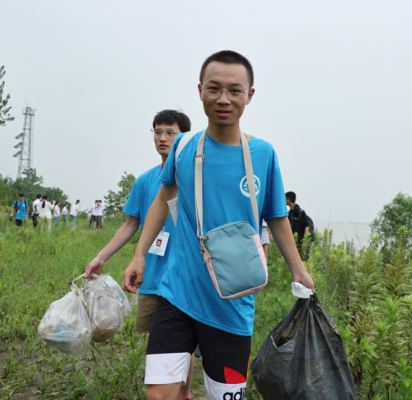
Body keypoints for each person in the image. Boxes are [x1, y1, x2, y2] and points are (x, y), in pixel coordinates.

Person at [122, 51, 314, 400]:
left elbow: (277, 217)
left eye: (234, 90)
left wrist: (298, 270)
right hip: (176, 293)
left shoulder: (263, 154)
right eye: (214, 89)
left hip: (232, 303)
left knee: (225, 396)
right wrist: (139, 255)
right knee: (159, 395)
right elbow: (163, 200)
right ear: (200, 91)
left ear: (249, 96)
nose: (223, 99)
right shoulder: (183, 146)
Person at [85, 109, 195, 400]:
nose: (162, 137)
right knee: (161, 340)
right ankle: (169, 390)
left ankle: (185, 393)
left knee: (185, 340)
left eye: (170, 132)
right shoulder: (146, 181)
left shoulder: (195, 178)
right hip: (153, 274)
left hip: (186, 274)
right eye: (157, 131)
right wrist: (101, 256)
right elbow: (131, 223)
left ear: (184, 137)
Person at [286, 191, 311, 257]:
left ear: (288, 200)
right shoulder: (289, 213)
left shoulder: (301, 212)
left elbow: (306, 226)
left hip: (301, 242)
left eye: (284, 199)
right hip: (293, 243)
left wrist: (305, 242)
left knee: (303, 260)